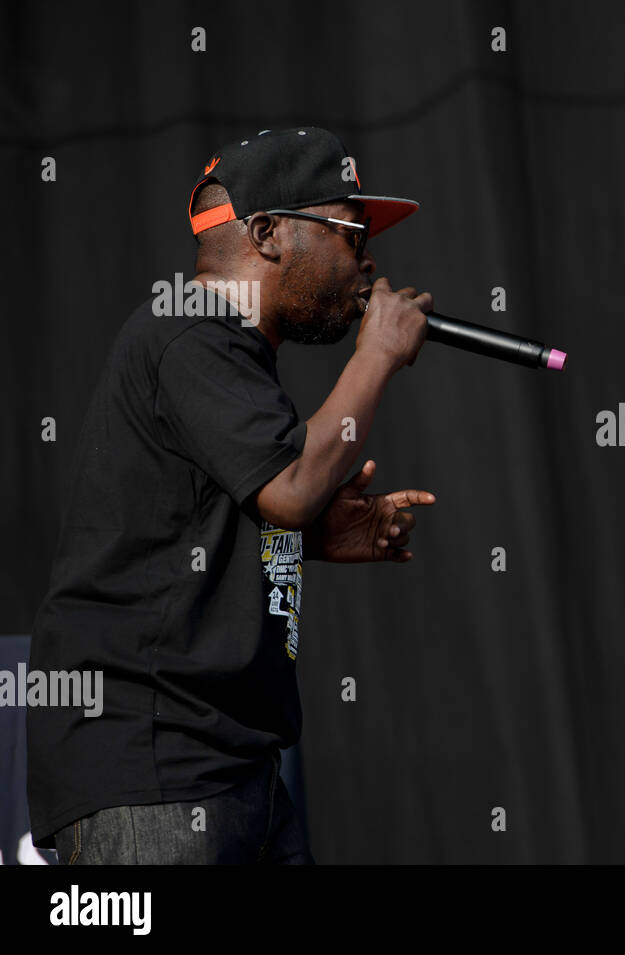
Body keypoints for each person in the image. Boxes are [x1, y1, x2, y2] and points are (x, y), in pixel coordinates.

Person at [26, 127, 436, 863]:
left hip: (231, 766)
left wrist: (310, 536)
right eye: (350, 233)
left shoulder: (225, 351)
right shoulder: (191, 329)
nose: (368, 260)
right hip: (156, 770)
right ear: (268, 233)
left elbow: (199, 524)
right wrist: (376, 355)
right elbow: (289, 488)